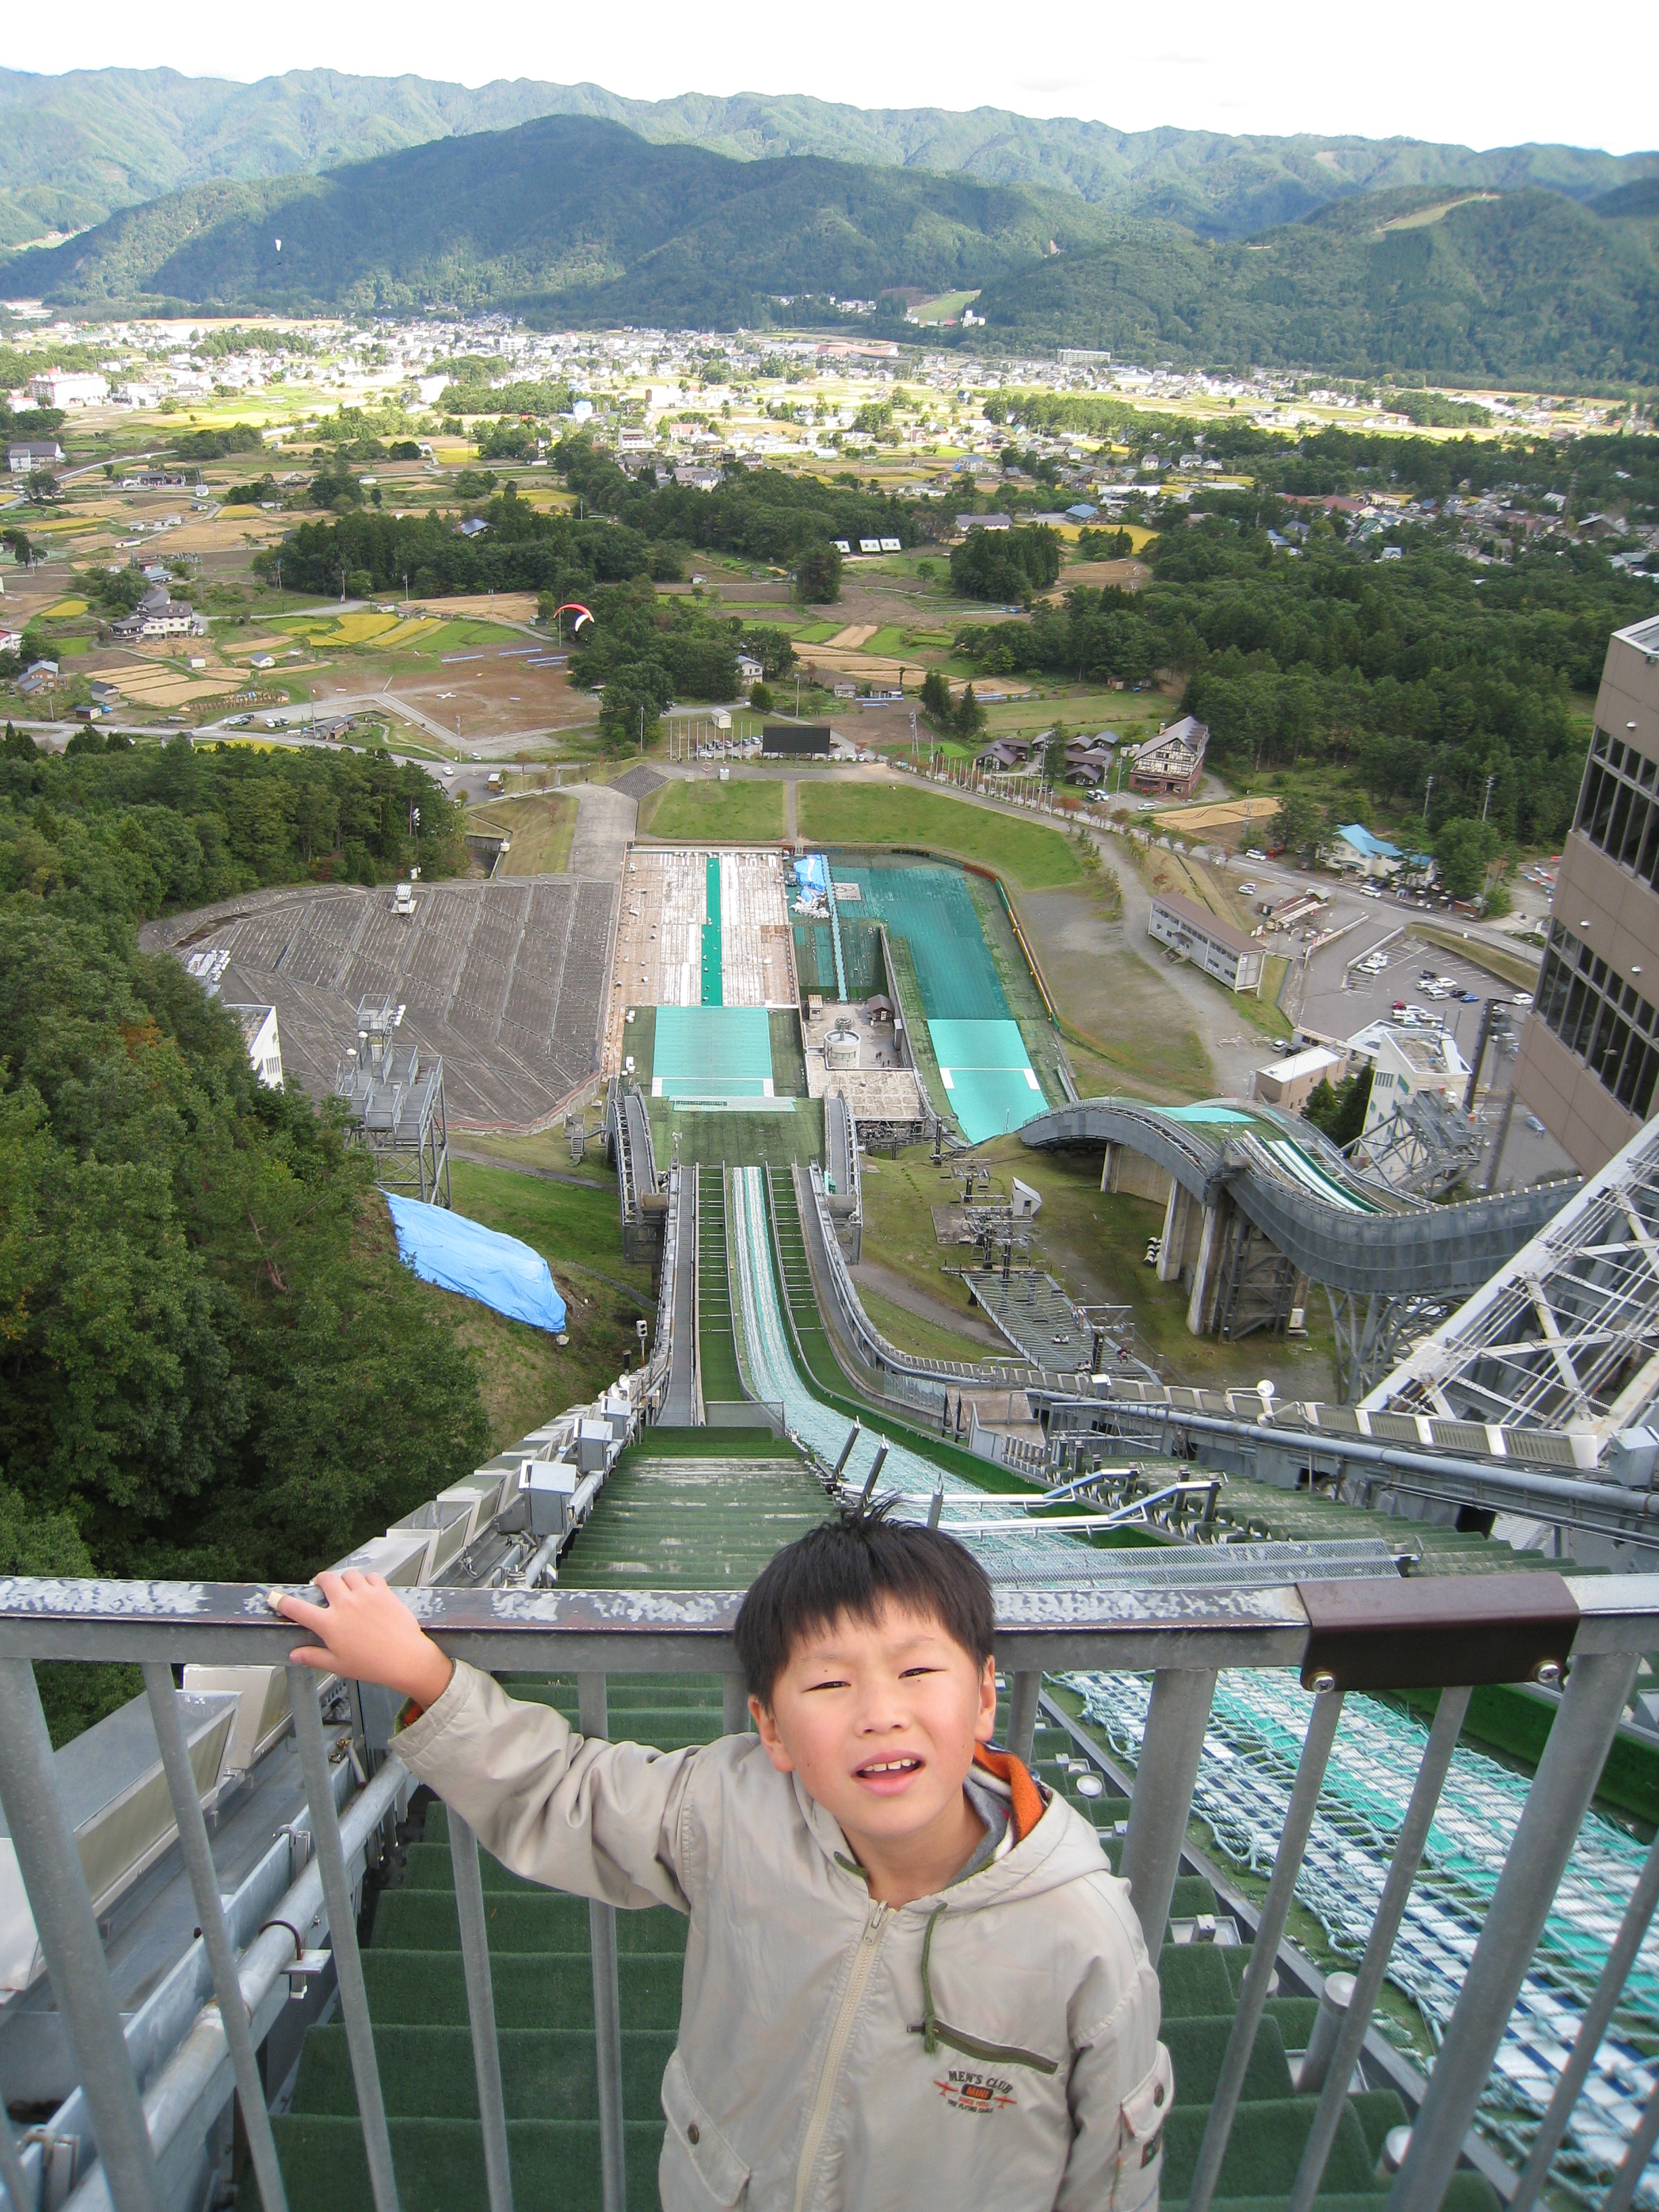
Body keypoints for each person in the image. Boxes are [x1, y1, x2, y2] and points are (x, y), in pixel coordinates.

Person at [274, 1504, 1169, 2210]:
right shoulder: (734, 1810)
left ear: (983, 1700)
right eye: (829, 1683)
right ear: (772, 1729)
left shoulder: (1077, 1933)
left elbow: (1113, 2174)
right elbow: (572, 1794)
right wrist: (424, 1677)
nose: (880, 1712)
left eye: (916, 1672)